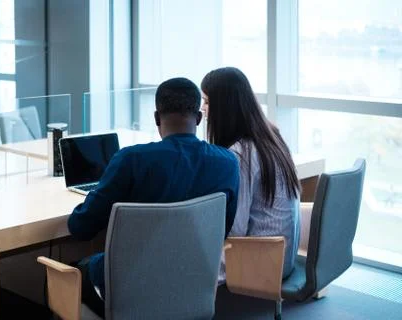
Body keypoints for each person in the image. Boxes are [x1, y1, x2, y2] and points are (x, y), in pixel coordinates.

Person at [68, 77, 240, 317]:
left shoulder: (131, 160)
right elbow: (222, 228)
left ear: (157, 118)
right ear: (199, 118)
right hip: (193, 279)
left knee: (67, 275)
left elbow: (81, 228)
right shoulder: (228, 163)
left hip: (133, 284)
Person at [200, 67, 301, 282]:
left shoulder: (239, 154)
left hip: (262, 261)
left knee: (183, 259)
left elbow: (235, 229)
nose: (203, 109)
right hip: (283, 258)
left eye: (207, 102)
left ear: (224, 107)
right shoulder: (270, 136)